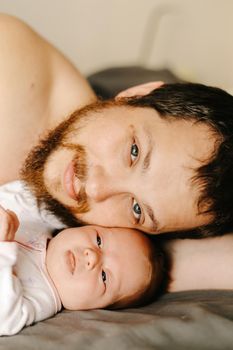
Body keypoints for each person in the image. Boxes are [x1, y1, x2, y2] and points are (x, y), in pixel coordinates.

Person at [1, 14, 233, 237]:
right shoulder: (10, 62)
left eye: (137, 209)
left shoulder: (108, 252)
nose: (95, 189)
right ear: (136, 94)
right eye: (134, 152)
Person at [0, 181, 164, 336]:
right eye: (99, 240)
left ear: (94, 308)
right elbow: (27, 192)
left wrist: (4, 248)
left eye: (104, 276)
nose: (92, 256)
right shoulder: (40, 220)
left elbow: (5, 316)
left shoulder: (42, 299)